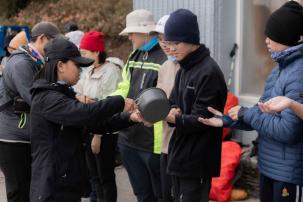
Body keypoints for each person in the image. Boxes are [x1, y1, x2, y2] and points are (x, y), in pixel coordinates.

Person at [199, 2, 303, 201]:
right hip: (270, 167)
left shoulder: (299, 73)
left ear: (287, 36)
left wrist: (245, 113)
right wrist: (228, 120)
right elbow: (261, 113)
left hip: (289, 173)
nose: (266, 41)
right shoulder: (279, 70)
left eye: (271, 35)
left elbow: (288, 130)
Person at [29, 37, 142, 202]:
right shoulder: (46, 97)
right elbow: (85, 114)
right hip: (53, 186)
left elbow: (95, 123)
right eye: (77, 66)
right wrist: (118, 102)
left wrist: (130, 117)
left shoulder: (62, 93)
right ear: (61, 65)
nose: (81, 72)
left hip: (66, 180)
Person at [164, 9, 227, 202]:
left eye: (177, 43)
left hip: (198, 159)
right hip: (179, 154)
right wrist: (172, 110)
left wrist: (173, 117)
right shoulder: (183, 69)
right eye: (168, 43)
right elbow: (173, 101)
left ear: (192, 40)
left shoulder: (209, 72)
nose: (172, 48)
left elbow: (205, 119)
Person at [0, 21, 61, 202]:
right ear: (42, 39)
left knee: (28, 189)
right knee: (19, 192)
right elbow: (37, 100)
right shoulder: (21, 63)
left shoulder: (34, 60)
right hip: (13, 138)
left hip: (23, 134)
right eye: (54, 43)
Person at [112, 9, 167, 202]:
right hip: (128, 138)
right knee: (142, 195)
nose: (129, 38)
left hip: (153, 142)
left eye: (131, 33)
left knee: (162, 195)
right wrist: (107, 103)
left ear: (144, 32)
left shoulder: (165, 57)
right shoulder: (134, 56)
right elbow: (123, 88)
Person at [73, 31, 123, 202]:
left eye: (85, 52)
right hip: (88, 128)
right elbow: (77, 92)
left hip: (104, 133)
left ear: (96, 52)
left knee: (105, 177)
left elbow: (108, 107)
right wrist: (86, 100)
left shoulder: (111, 72)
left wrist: (98, 135)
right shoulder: (89, 70)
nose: (82, 56)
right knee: (94, 176)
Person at [150, 14, 180, 202]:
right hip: (165, 143)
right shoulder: (165, 66)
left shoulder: (191, 68)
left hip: (185, 146)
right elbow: (160, 101)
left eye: (167, 39)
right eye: (160, 39)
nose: (164, 43)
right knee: (165, 195)